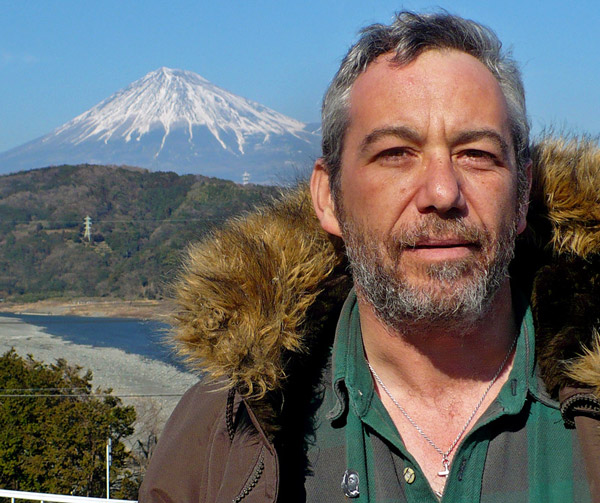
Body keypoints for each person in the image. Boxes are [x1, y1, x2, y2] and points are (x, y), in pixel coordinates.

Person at [140, 11, 600, 502]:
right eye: (397, 153)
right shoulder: (224, 433)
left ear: (523, 191)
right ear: (329, 197)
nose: (443, 192)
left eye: (477, 154)